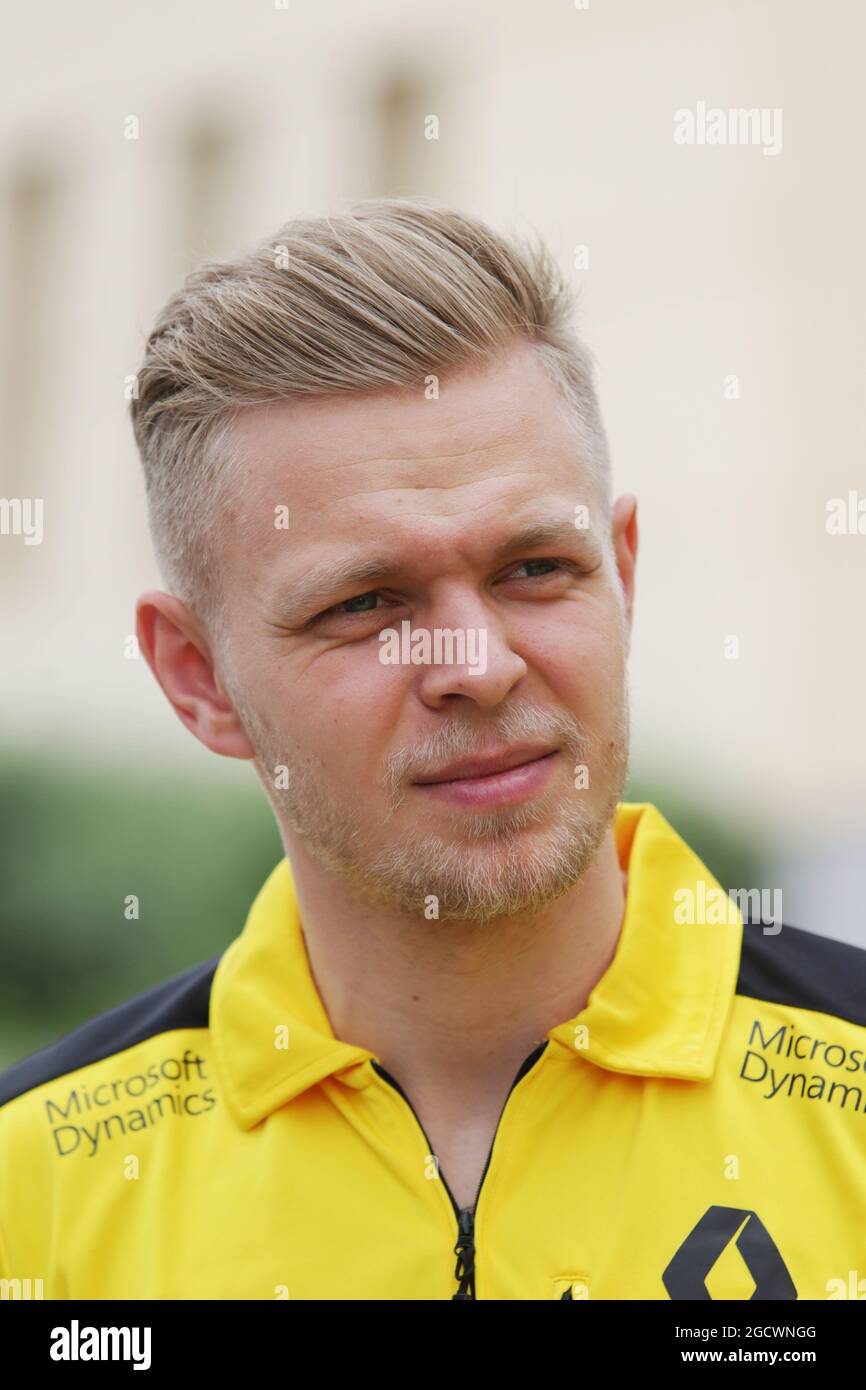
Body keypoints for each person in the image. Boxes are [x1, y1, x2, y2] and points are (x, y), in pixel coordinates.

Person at [1, 198, 864, 1301]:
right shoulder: (34, 1189)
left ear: (624, 573)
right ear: (197, 676)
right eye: (366, 602)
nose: (479, 663)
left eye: (535, 568)